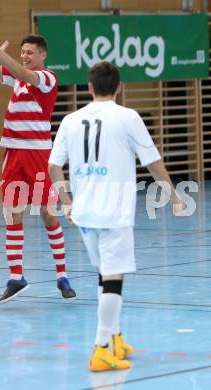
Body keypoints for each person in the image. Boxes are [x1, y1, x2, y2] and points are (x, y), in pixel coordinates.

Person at [48, 61, 185, 371]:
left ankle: (115, 338)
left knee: (104, 274)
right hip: (114, 213)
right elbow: (152, 162)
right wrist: (174, 194)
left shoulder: (71, 119)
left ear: (89, 87)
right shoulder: (128, 117)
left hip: (83, 213)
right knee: (113, 277)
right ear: (119, 87)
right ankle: (99, 349)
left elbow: (53, 166)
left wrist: (67, 203)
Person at [0, 22, 76, 303]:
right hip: (14, 152)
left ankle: (62, 275)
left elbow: (19, 71)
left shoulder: (46, 78)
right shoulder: (19, 79)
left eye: (29, 52)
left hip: (37, 154)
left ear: (42, 55)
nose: (24, 56)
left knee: (48, 213)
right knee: (12, 214)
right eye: (22, 52)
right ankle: (16, 277)